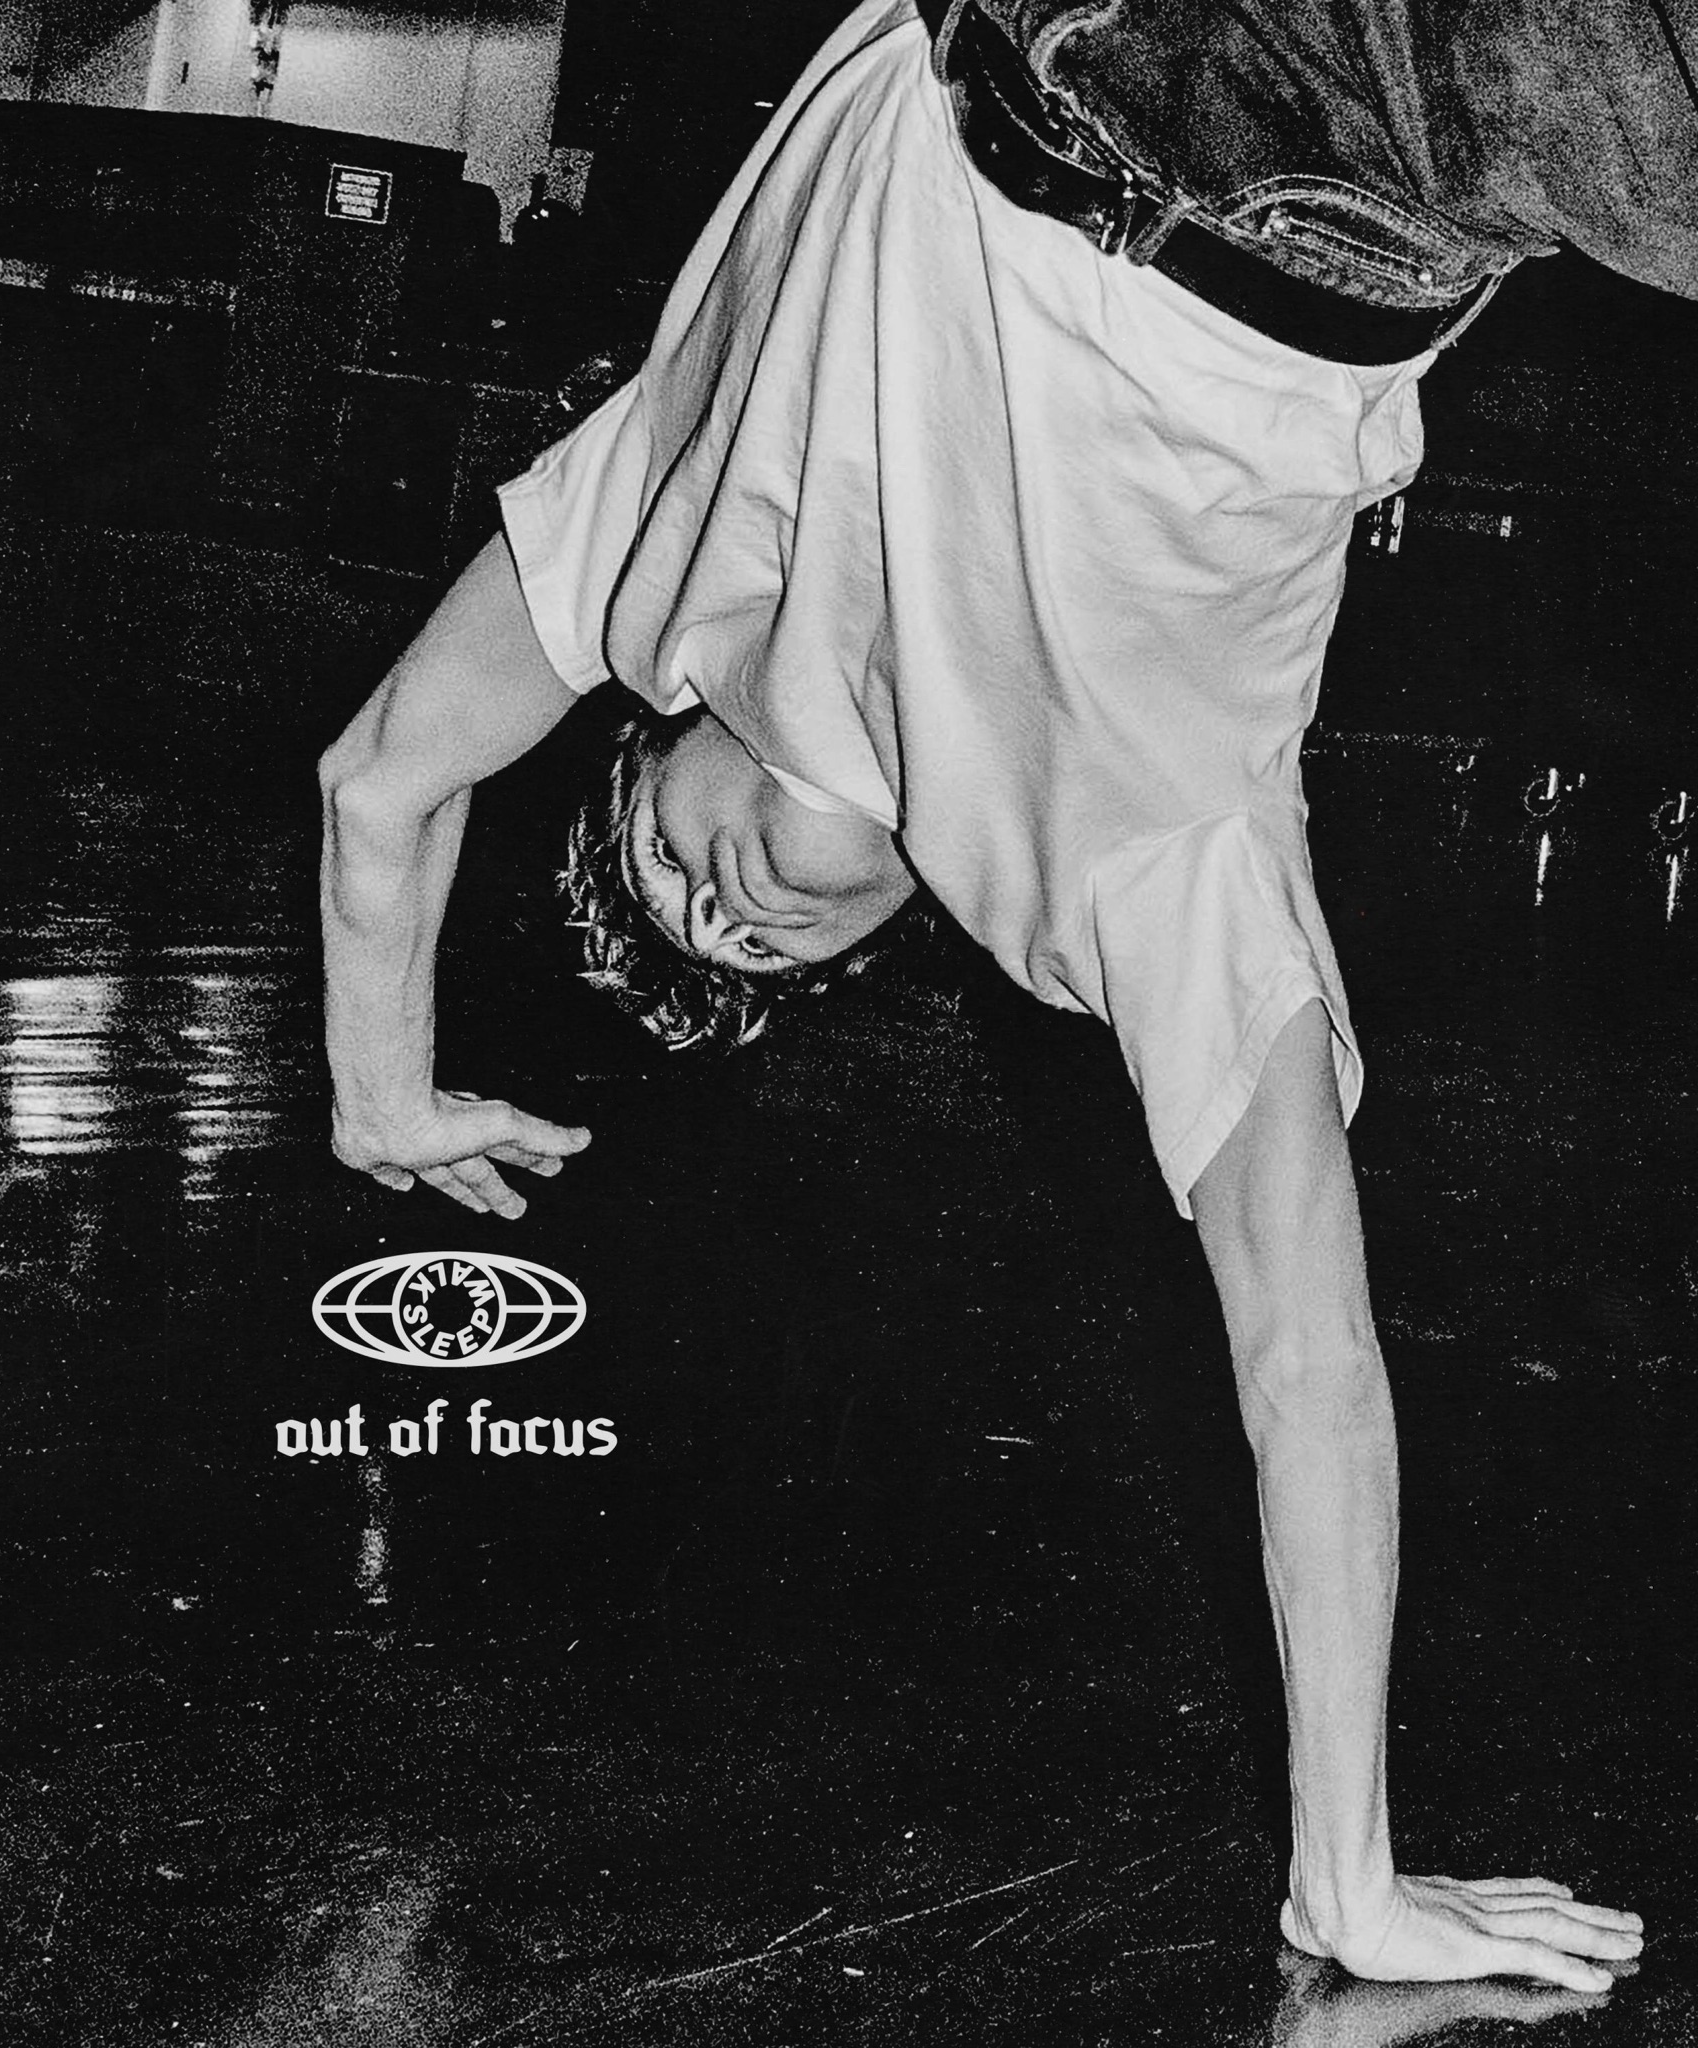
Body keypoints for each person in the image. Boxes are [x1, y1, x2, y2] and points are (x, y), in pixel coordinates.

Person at [317, 0, 1663, 1991]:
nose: (724, 907)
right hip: (1385, 171)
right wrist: (1349, 1878)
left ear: (652, 725)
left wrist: (382, 1091)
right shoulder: (1100, 892)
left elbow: (381, 781)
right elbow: (1305, 1356)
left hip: (1075, 54)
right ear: (884, 934)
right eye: (750, 955)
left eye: (662, 863)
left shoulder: (663, 550)